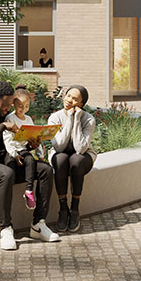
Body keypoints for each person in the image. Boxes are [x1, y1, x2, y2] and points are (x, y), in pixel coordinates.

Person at [0, 81, 59, 250]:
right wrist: (2, 127)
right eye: (6, 105)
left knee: (45, 170)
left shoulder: (3, 113)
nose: (8, 109)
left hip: (7, 162)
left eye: (10, 105)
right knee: (6, 173)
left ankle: (38, 224)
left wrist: (31, 144)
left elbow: (13, 143)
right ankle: (5, 228)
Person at [49, 85, 97, 233]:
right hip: (60, 154)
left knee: (75, 160)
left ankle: (75, 209)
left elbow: (80, 148)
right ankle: (63, 209)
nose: (69, 100)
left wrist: (76, 119)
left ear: (81, 104)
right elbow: (59, 147)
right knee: (61, 159)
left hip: (83, 157)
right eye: (68, 96)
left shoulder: (88, 119)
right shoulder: (55, 117)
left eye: (75, 99)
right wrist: (69, 118)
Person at [3, 86, 47, 210]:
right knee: (10, 170)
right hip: (14, 149)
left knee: (30, 160)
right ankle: (5, 203)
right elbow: (7, 140)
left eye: (27, 106)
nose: (23, 109)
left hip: (24, 149)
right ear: (13, 105)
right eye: (20, 106)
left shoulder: (28, 119)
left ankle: (28, 191)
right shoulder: (10, 118)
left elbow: (34, 135)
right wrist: (14, 154)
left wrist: (41, 155)